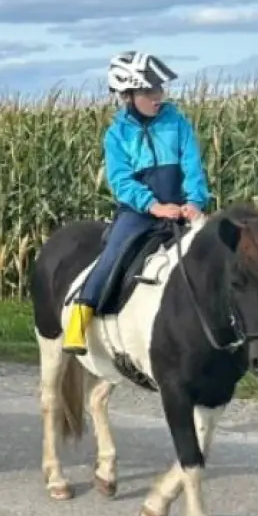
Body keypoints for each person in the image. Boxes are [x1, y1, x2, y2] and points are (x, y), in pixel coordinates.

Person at [62, 52, 210, 356]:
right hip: (140, 212)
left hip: (182, 208)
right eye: (148, 91)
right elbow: (121, 181)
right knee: (115, 251)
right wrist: (153, 206)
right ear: (127, 96)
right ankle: (81, 313)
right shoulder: (116, 134)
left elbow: (192, 164)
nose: (158, 96)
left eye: (159, 89)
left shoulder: (177, 123)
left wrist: (194, 200)